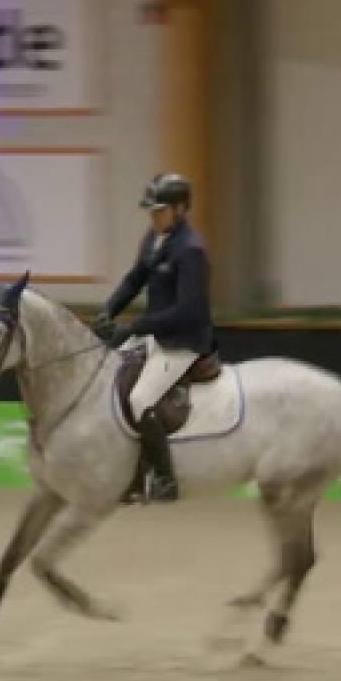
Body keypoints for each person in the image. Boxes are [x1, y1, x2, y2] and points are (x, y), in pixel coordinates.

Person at [92, 172, 215, 504]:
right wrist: (109, 311)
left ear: (180, 209)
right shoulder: (154, 237)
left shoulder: (190, 250)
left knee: (140, 400)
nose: (153, 217)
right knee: (106, 375)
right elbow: (135, 279)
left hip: (182, 342)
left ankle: (164, 479)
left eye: (160, 211)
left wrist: (135, 327)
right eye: (151, 211)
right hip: (155, 334)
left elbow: (188, 311)